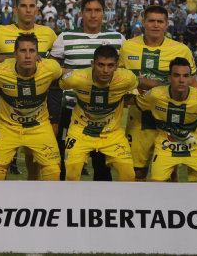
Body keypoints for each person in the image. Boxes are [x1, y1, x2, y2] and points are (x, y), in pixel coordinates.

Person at [0, 0, 59, 178]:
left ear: (37, 9)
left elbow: (54, 66)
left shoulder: (48, 34)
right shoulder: (0, 33)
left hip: (38, 107)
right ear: (15, 9)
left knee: (35, 159)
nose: (28, 10)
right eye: (23, 6)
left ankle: (32, 191)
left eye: (31, 6)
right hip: (7, 104)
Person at [49, 0, 125, 181]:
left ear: (104, 13)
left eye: (97, 10)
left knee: (102, 169)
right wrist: (67, 73)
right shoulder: (65, 38)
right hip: (70, 111)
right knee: (67, 167)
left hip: (105, 114)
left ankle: (100, 209)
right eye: (89, 10)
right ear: (81, 13)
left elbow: (124, 72)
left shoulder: (118, 39)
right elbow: (49, 69)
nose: (93, 15)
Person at [118, 5, 197, 182]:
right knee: (137, 173)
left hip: (168, 123)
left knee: (169, 175)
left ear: (167, 24)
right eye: (151, 21)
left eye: (160, 21)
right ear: (143, 22)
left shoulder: (181, 50)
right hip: (139, 121)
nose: (156, 25)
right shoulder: (128, 47)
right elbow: (119, 81)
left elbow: (194, 88)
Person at [59, 45, 159, 181]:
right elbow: (55, 80)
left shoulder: (126, 78)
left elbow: (144, 83)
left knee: (129, 175)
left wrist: (168, 89)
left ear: (116, 66)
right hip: (80, 132)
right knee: (71, 175)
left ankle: (116, 203)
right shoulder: (77, 78)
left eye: (110, 65)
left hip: (112, 134)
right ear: (93, 64)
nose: (105, 70)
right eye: (101, 65)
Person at [134, 57, 197, 182]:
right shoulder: (156, 95)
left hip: (195, 148)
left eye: (186, 76)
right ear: (170, 78)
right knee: (156, 188)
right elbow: (134, 101)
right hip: (165, 148)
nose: (181, 80)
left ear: (191, 79)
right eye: (177, 75)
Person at [0, 34, 62, 181]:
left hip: (38, 126)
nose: (27, 55)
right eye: (22, 51)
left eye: (32, 51)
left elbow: (65, 76)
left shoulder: (51, 68)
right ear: (15, 54)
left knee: (53, 171)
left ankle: (42, 203)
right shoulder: (0, 71)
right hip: (8, 127)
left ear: (38, 54)